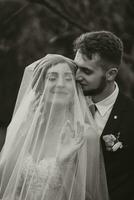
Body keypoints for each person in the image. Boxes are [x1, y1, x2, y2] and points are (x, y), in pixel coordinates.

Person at [0, 55, 109, 200]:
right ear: (40, 86)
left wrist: (64, 165)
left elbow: (90, 197)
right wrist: (23, 132)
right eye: (52, 78)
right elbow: (5, 183)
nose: (61, 84)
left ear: (75, 88)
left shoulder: (85, 134)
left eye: (68, 79)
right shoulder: (26, 128)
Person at [74, 30, 134, 200]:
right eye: (76, 67)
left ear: (111, 74)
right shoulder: (67, 106)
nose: (77, 76)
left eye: (86, 71)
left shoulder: (131, 116)